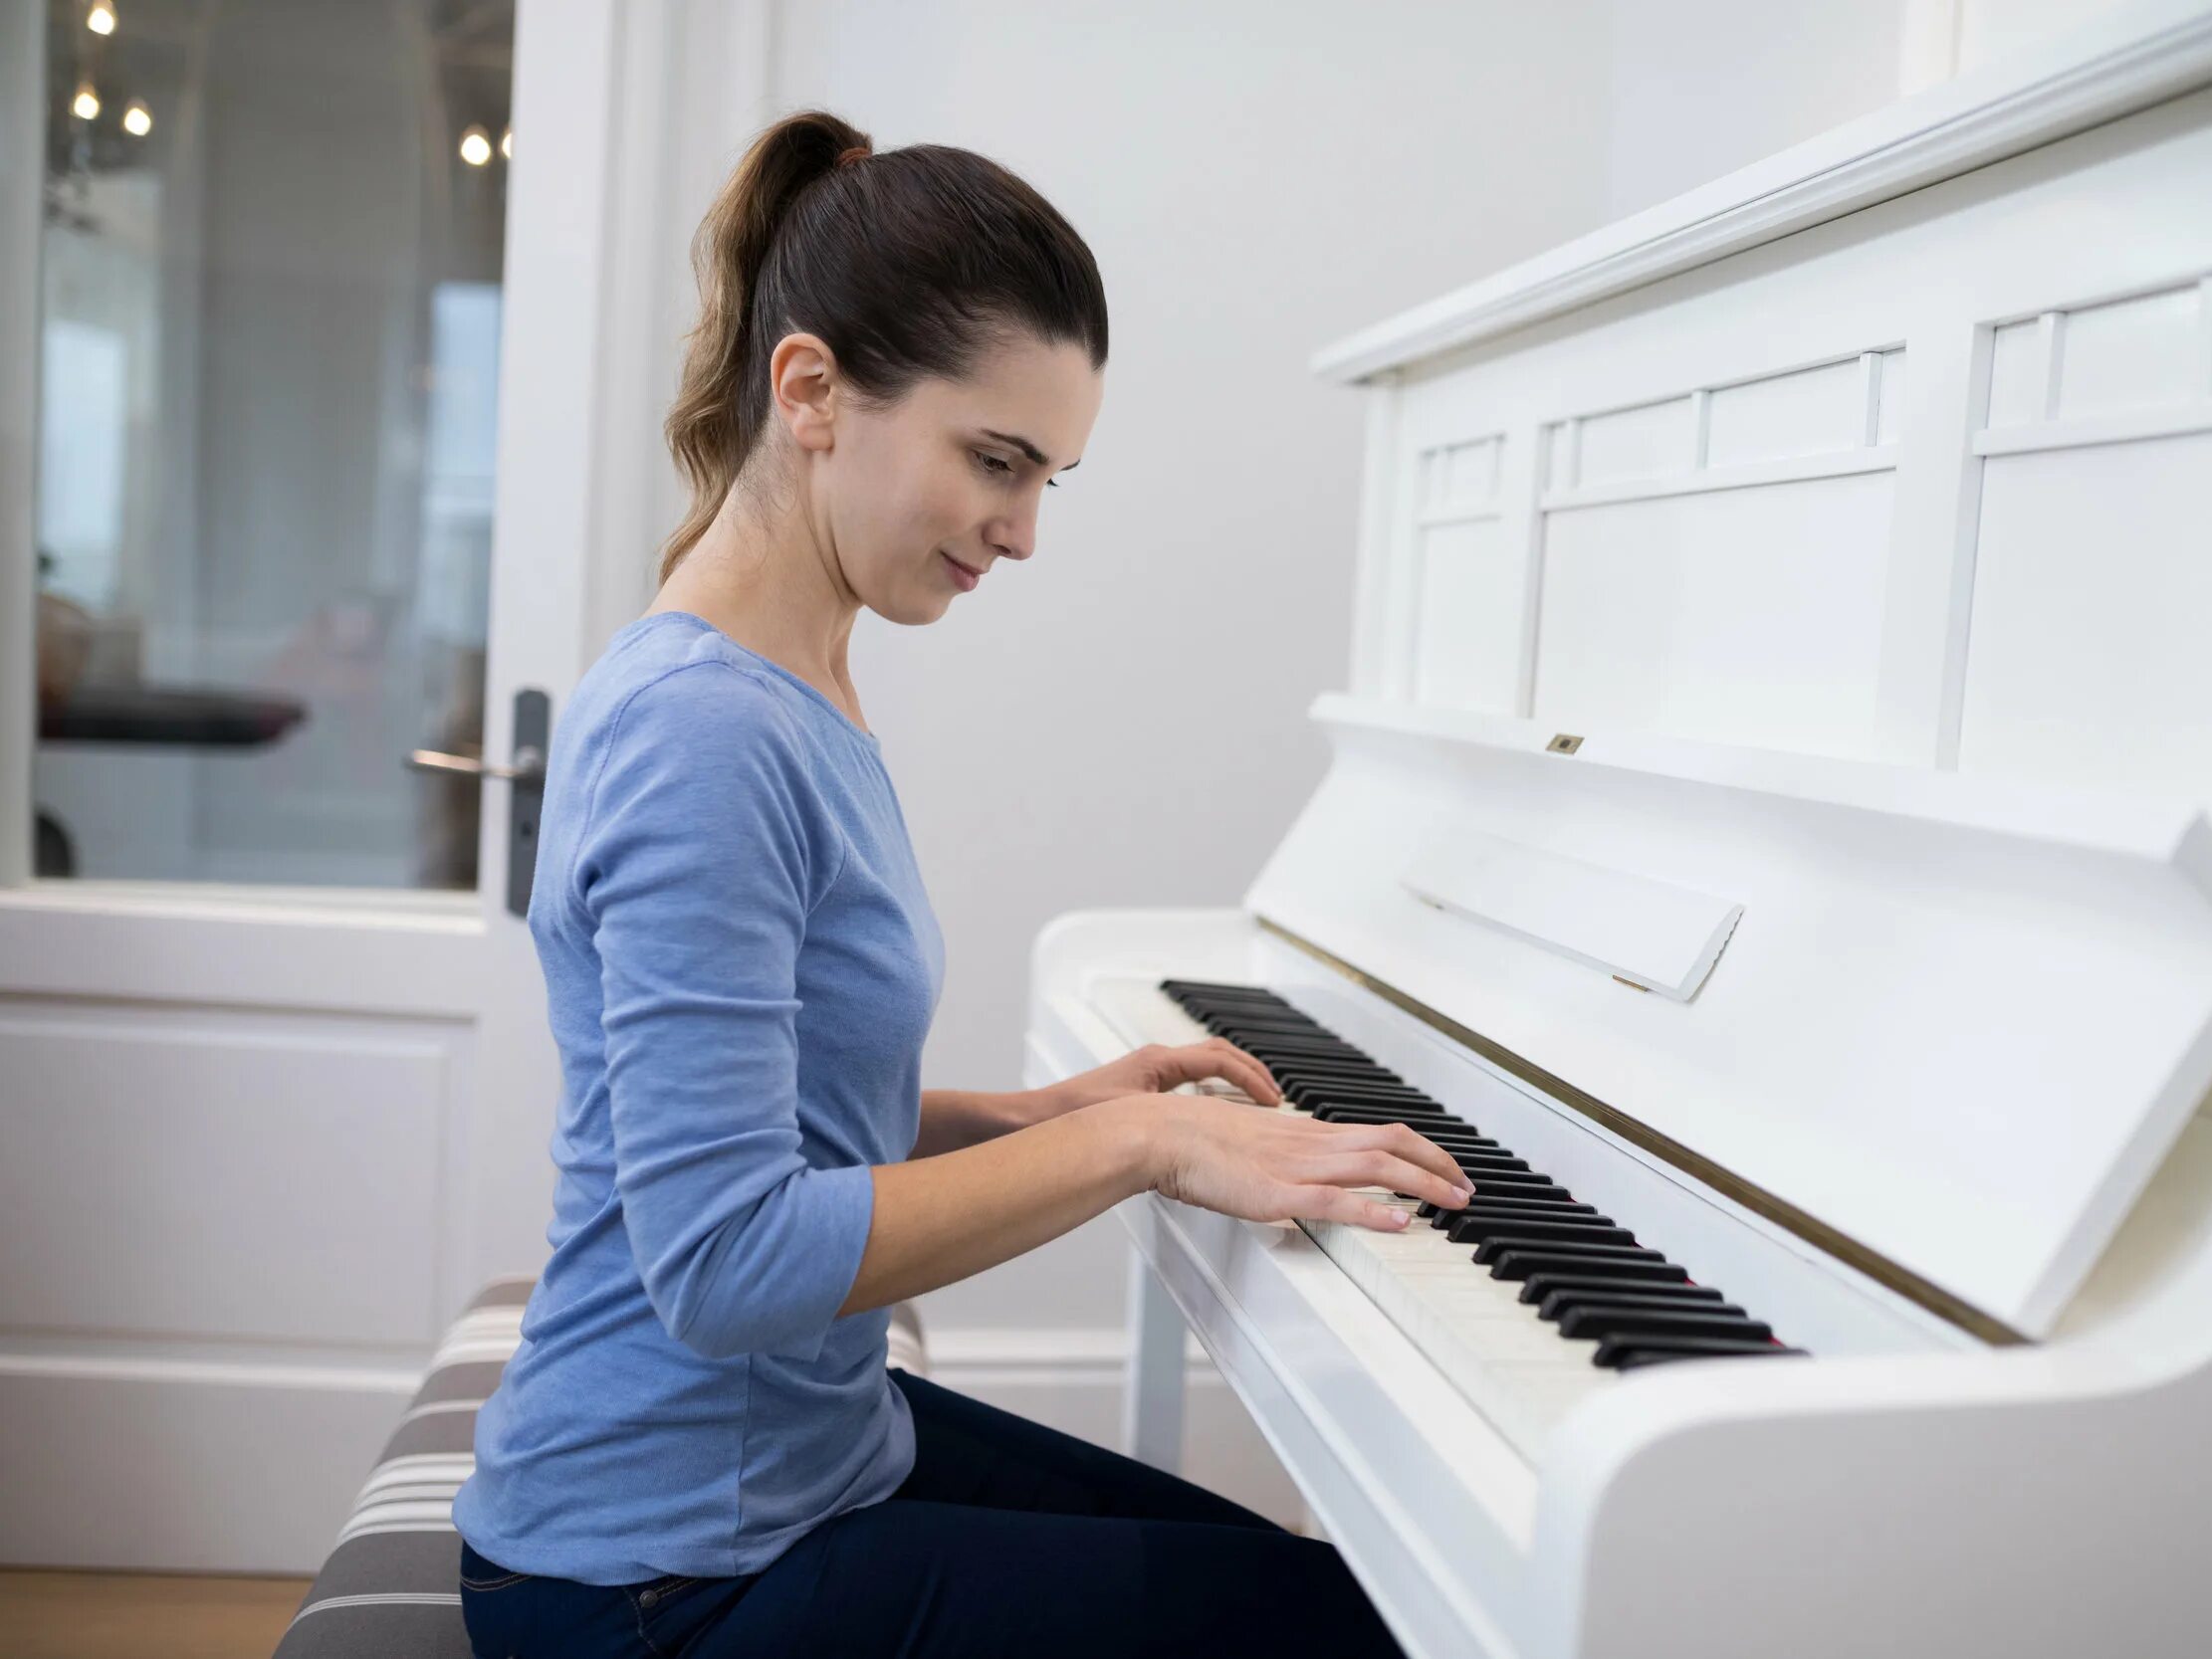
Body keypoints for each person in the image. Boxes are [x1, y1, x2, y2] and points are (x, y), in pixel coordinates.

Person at [449, 109, 1474, 1659]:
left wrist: (1057, 1114)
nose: (1026, 529)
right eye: (995, 461)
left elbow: (777, 1115)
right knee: (1345, 1634)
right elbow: (725, 1263)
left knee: (1355, 1604)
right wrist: (1143, 1144)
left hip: (806, 1462)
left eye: (1050, 473)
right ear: (810, 392)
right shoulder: (703, 735)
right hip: (652, 1571)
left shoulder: (798, 679)